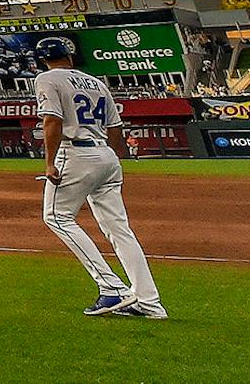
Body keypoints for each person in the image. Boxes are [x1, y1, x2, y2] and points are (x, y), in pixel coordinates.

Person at [33, 35, 163, 318]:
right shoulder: (96, 82)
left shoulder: (47, 78)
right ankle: (149, 302)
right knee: (119, 230)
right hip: (105, 154)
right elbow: (115, 126)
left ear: (42, 59)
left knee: (57, 217)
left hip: (75, 153)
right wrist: (113, 156)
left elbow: (52, 120)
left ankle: (111, 288)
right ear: (70, 55)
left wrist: (49, 163)